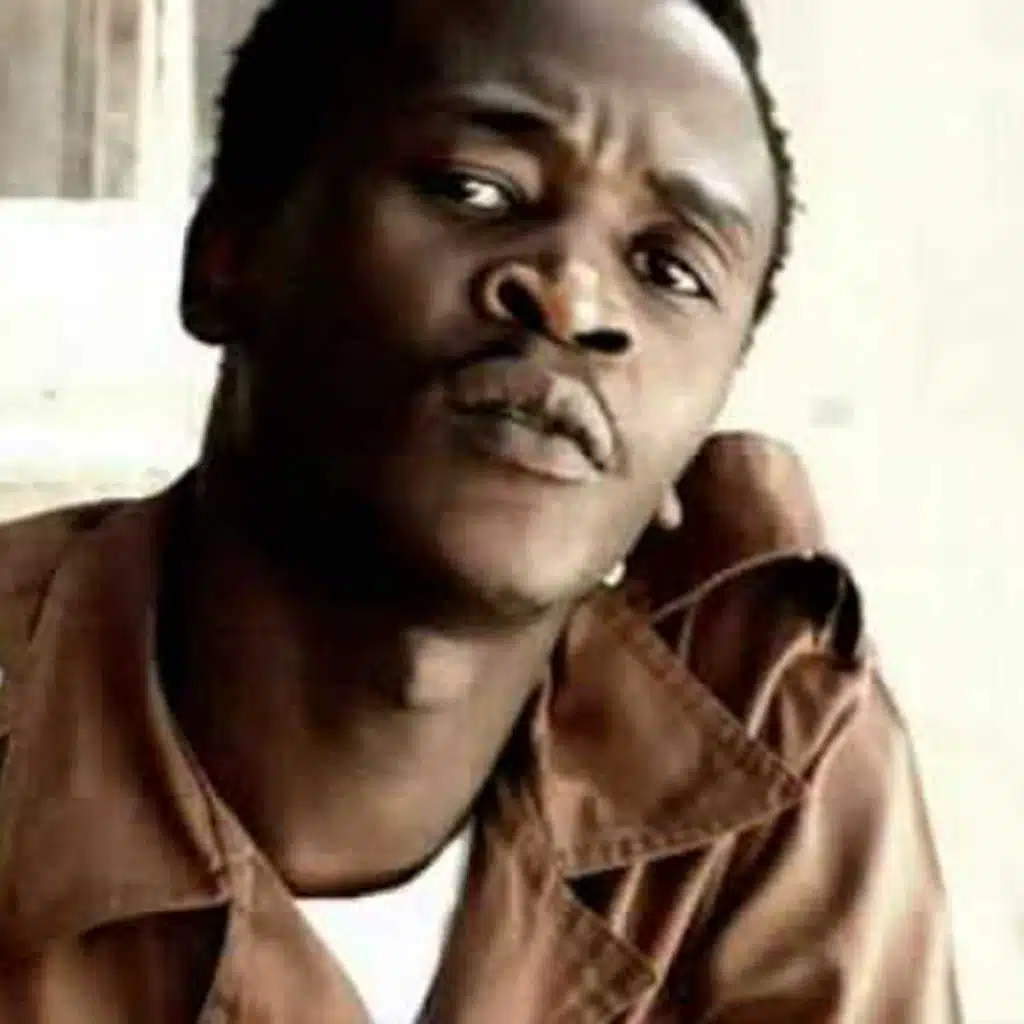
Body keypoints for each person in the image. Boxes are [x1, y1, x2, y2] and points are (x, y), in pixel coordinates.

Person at [0, 0, 961, 1020]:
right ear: (227, 251)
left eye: (670, 270)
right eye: (474, 188)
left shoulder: (754, 744)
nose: (576, 299)